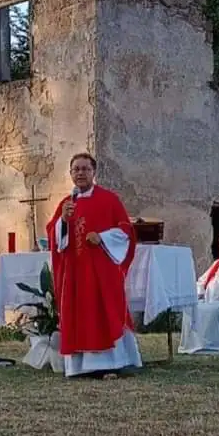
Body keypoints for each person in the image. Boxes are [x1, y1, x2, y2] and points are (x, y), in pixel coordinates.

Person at [46, 152, 142, 378]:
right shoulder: (66, 203)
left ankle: (110, 364)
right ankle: (80, 366)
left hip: (102, 272)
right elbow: (53, 233)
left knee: (103, 311)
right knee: (78, 314)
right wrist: (64, 222)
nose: (80, 173)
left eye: (85, 169)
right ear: (70, 174)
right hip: (75, 273)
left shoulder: (109, 199)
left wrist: (103, 238)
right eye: (76, 169)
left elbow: (126, 230)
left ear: (94, 172)